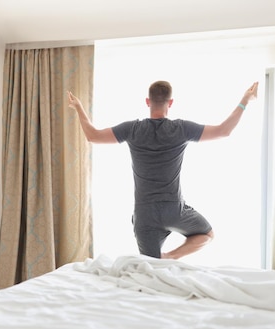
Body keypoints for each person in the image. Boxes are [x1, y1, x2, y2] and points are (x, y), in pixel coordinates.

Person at [67, 80, 258, 259]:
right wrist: (245, 101)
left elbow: (93, 136)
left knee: (150, 270)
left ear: (147, 102)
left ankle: (161, 261)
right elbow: (223, 130)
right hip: (174, 209)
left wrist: (79, 108)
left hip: (144, 214)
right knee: (207, 234)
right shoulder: (181, 129)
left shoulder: (132, 129)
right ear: (171, 102)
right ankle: (169, 257)